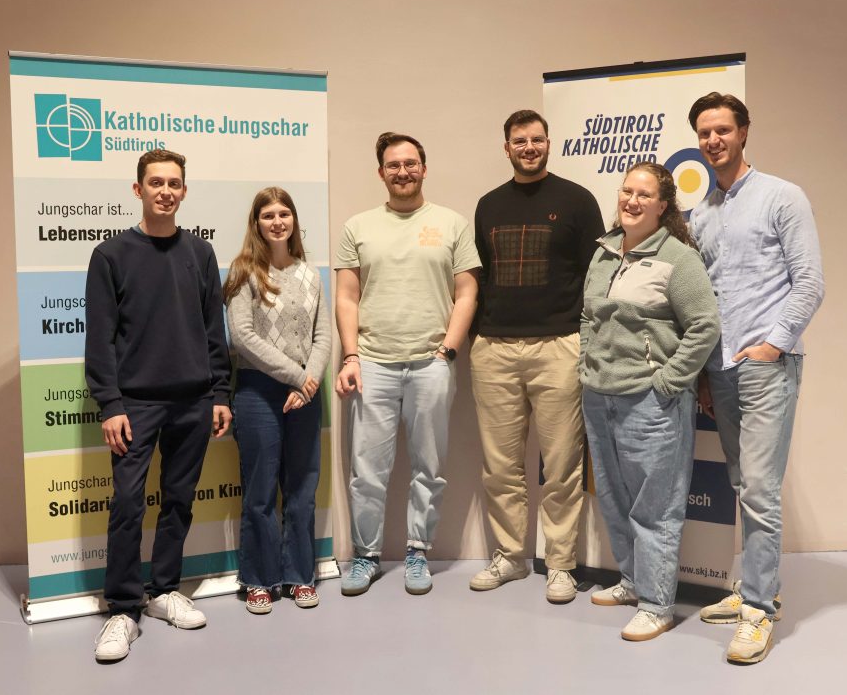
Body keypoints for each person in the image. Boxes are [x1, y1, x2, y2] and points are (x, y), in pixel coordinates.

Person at [688, 92, 824, 664]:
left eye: (722, 129)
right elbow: (705, 298)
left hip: (766, 365)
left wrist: (772, 345)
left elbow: (810, 282)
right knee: (743, 484)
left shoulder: (782, 196)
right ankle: (755, 588)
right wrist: (704, 373)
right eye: (704, 132)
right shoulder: (701, 214)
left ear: (743, 132)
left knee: (762, 492)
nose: (713, 140)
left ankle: (759, 612)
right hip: (720, 370)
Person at [85, 149, 231, 662]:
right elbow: (100, 339)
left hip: (194, 400)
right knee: (128, 504)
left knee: (179, 499)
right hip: (135, 405)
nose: (165, 191)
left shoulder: (201, 253)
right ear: (138, 190)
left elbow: (214, 330)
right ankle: (124, 609)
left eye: (173, 183)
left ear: (184, 191)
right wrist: (110, 404)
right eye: (155, 183)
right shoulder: (110, 255)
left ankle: (165, 589)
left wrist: (219, 394)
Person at [334, 132, 480, 596]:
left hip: (430, 364)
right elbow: (346, 297)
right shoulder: (358, 226)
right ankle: (366, 556)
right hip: (372, 363)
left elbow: (467, 293)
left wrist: (447, 351)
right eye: (393, 165)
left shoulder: (452, 223)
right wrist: (351, 355)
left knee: (429, 467)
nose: (403, 172)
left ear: (424, 168)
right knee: (367, 471)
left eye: (411, 163)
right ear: (381, 173)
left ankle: (418, 551)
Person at [469, 110, 604, 603]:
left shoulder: (577, 200)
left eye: (537, 139)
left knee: (562, 465)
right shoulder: (488, 205)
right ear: (506, 147)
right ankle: (510, 556)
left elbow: (597, 276)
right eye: (520, 141)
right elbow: (479, 277)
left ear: (549, 143)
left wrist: (586, 339)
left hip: (559, 345)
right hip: (494, 348)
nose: (529, 147)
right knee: (500, 466)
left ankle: (561, 564)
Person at [581, 162, 720, 641]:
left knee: (655, 507)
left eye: (643, 194)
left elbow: (704, 325)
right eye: (626, 191)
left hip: (650, 402)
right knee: (615, 499)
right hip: (598, 395)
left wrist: (668, 382)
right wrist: (586, 362)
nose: (632, 201)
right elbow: (589, 317)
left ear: (663, 206)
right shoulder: (603, 252)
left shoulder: (678, 259)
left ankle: (658, 604)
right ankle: (632, 582)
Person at [224, 187, 331, 614]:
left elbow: (323, 335)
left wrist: (308, 383)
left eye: (284, 213)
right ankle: (259, 579)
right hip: (258, 392)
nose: (277, 221)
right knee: (260, 491)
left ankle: (299, 575)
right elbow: (242, 337)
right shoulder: (244, 272)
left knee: (302, 488)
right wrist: (297, 377)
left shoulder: (310, 273)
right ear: (256, 223)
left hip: (305, 393)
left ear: (294, 220)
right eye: (267, 215)